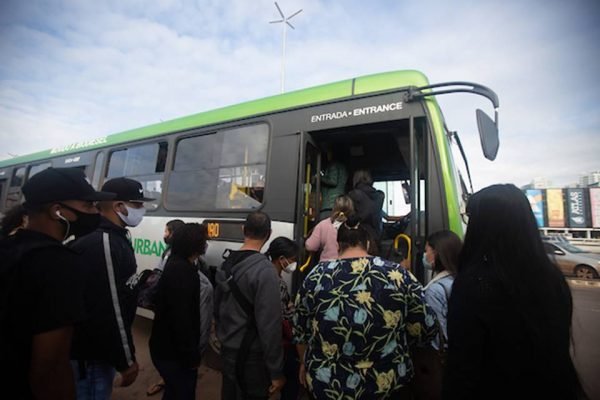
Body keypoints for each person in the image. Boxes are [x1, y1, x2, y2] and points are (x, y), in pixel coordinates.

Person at [443, 184, 586, 399]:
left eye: (470, 218)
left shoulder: (475, 285)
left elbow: (462, 371)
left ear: (484, 225)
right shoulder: (551, 278)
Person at [293, 214, 438, 400]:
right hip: (387, 385)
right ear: (368, 244)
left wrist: (305, 364)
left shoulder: (316, 277)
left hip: (329, 386)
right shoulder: (397, 274)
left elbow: (300, 331)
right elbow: (426, 328)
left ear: (338, 245)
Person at [0, 167, 114, 400]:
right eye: (88, 206)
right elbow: (50, 368)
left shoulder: (8, 247)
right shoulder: (60, 265)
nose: (96, 212)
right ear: (57, 211)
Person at [69, 177, 154, 399]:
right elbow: (111, 310)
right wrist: (126, 360)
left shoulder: (115, 237)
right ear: (119, 207)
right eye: (137, 204)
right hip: (93, 357)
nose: (142, 210)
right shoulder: (104, 243)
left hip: (98, 353)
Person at [214, 211, 285, 400]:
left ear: (243, 229)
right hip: (252, 358)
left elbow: (217, 308)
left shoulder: (226, 262)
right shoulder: (266, 271)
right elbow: (269, 327)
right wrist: (276, 372)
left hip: (228, 350)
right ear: (269, 234)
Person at [149, 223, 210, 400]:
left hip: (165, 349)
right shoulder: (183, 272)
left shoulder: (176, 263)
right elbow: (182, 320)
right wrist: (191, 357)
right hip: (173, 354)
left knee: (173, 392)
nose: (206, 245)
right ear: (194, 245)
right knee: (183, 393)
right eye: (203, 241)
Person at [412, 230, 462, 400]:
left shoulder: (434, 290)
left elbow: (435, 336)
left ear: (437, 254)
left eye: (427, 251)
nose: (425, 256)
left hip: (440, 364)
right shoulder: (460, 280)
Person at [146, 219, 186, 397]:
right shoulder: (171, 253)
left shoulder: (173, 257)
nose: (164, 235)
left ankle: (168, 380)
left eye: (166, 231)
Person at [265, 237, 300, 400]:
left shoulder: (268, 274)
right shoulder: (275, 282)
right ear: (281, 259)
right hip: (281, 342)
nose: (294, 264)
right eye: (292, 260)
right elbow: (280, 315)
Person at [305, 194, 354, 261]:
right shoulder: (354, 226)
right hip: (348, 265)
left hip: (327, 266)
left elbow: (310, 246)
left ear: (334, 208)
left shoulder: (323, 224)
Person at [347, 170, 385, 253]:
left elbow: (351, 218)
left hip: (359, 236)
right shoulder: (379, 196)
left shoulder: (353, 195)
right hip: (377, 235)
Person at [319, 148, 348, 220]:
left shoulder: (333, 165)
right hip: (339, 204)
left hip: (329, 205)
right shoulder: (344, 168)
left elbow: (333, 181)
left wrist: (319, 178)